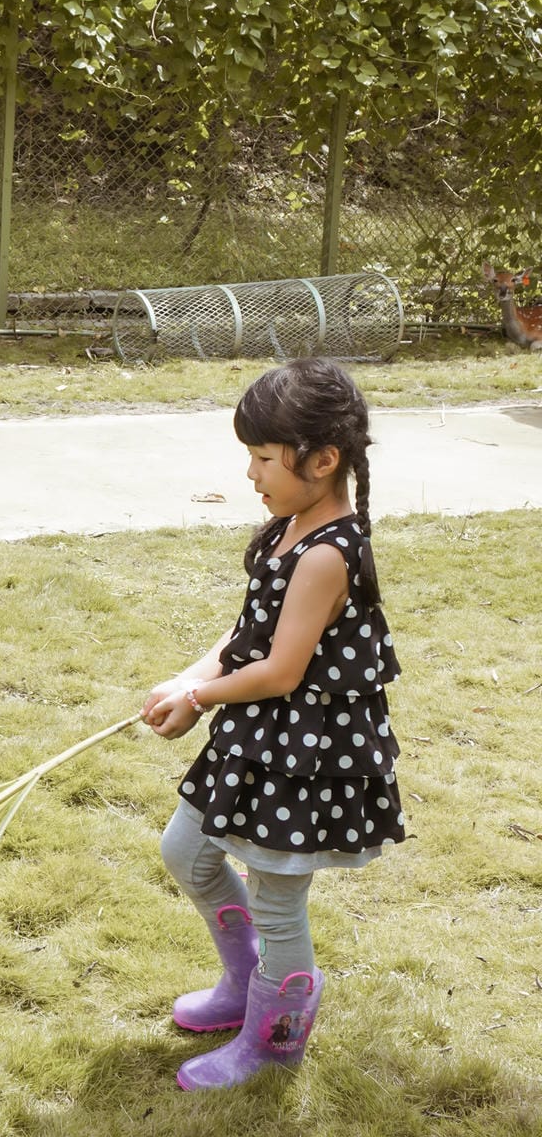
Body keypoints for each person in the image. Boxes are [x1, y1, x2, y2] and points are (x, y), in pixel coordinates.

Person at [142, 356, 405, 1090]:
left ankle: (275, 1039)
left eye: (263, 457)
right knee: (186, 853)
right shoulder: (289, 528)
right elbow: (246, 640)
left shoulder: (328, 553)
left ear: (322, 460)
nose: (253, 473)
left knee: (277, 898)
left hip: (304, 753)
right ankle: (245, 985)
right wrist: (189, 678)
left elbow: (283, 671)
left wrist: (202, 701)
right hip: (259, 737)